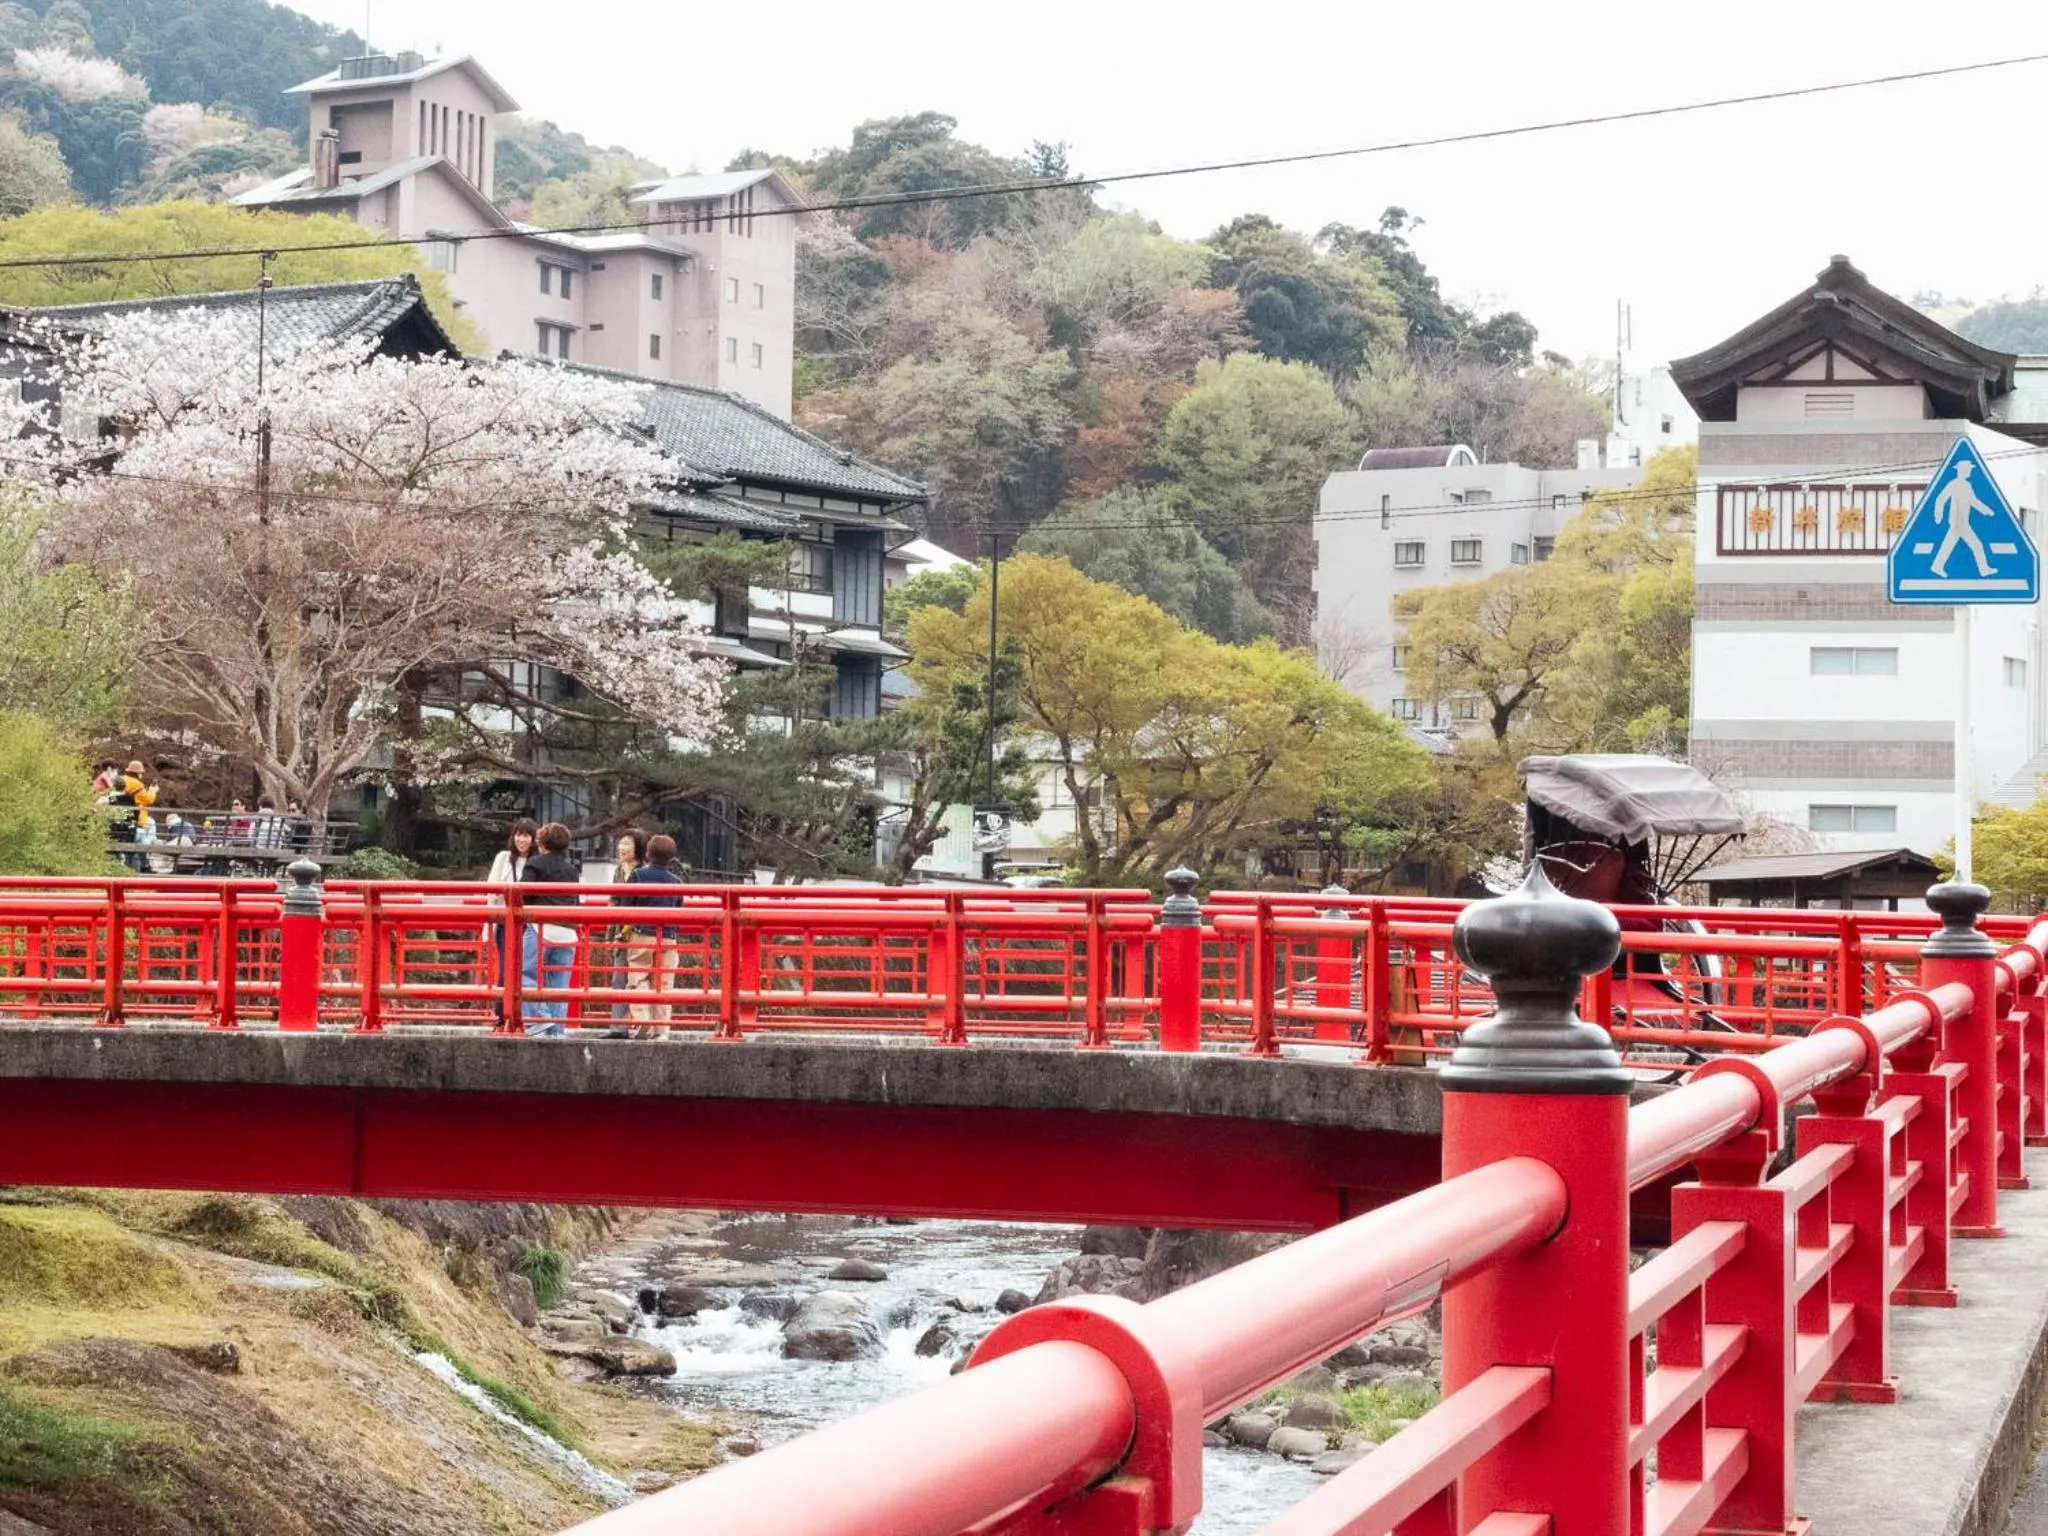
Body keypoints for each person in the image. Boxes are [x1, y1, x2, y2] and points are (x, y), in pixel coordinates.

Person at [619, 833, 685, 1040]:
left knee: (638, 978)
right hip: (668, 936)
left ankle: (643, 1020)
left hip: (642, 934)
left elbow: (625, 907)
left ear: (647, 853)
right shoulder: (677, 881)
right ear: (672, 858)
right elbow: (679, 907)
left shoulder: (638, 876)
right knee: (664, 984)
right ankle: (661, 1030)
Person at [517, 822, 579, 1036]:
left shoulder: (536, 863)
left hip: (541, 927)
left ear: (542, 842)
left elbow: (522, 894)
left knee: (524, 974)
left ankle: (539, 1018)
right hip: (568, 931)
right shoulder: (572, 869)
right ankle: (557, 1031)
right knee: (559, 986)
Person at [486, 819, 538, 1025]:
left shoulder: (537, 861)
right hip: (505, 920)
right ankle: (502, 1015)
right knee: (505, 968)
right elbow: (491, 888)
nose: (521, 839)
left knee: (527, 968)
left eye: (526, 835)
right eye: (518, 834)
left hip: (529, 922)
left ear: (534, 839)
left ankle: (524, 1016)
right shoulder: (503, 858)